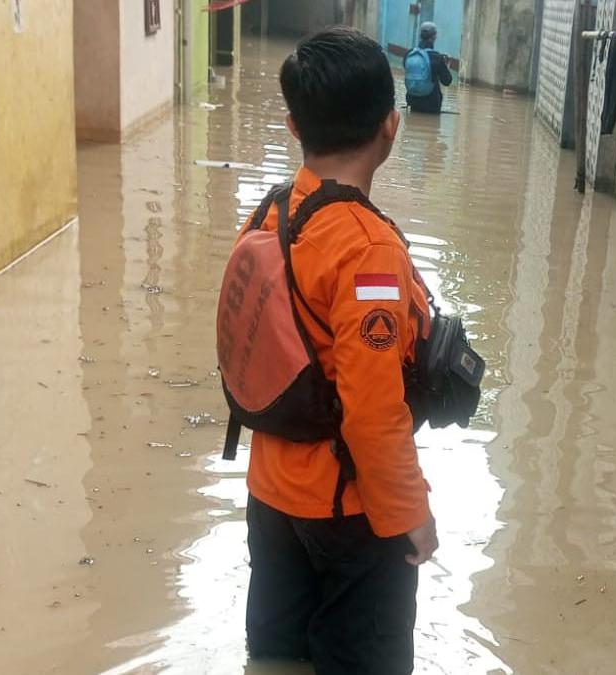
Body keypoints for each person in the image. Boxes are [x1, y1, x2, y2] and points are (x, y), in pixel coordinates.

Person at [240, 28, 436, 674]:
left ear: (293, 126)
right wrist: (411, 514)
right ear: (392, 125)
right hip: (348, 514)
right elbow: (372, 408)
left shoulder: (271, 213)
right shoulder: (368, 249)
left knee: (276, 657)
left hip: (270, 496)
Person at [403, 22, 453, 114]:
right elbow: (447, 81)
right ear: (434, 37)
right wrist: (446, 65)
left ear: (420, 36)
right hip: (432, 105)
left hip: (413, 102)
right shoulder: (437, 58)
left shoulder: (408, 54)